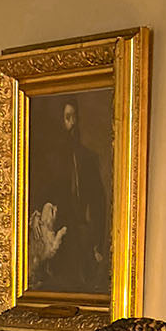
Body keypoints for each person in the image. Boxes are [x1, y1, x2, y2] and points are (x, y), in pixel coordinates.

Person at [32, 97, 108, 294]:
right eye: (67, 118)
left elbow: (98, 204)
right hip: (54, 237)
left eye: (74, 117)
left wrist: (96, 241)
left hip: (79, 238)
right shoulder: (46, 160)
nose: (72, 123)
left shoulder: (86, 158)